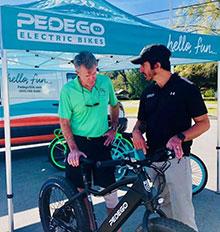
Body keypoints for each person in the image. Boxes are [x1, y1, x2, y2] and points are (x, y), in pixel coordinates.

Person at [130, 44, 210, 231]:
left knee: (183, 213)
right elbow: (141, 122)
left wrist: (180, 137)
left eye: (143, 65)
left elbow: (204, 123)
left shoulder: (186, 88)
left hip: (177, 161)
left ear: (157, 65)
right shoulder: (147, 92)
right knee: (163, 209)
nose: (140, 69)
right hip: (153, 162)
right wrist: (136, 132)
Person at [58, 51, 120, 229]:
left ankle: (114, 228)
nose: (92, 78)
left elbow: (114, 105)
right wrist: (73, 149)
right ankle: (89, 227)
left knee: (110, 191)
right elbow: (64, 121)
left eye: (94, 73)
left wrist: (114, 128)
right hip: (79, 143)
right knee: (80, 191)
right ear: (77, 72)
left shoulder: (105, 82)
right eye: (88, 75)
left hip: (102, 142)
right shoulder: (68, 90)